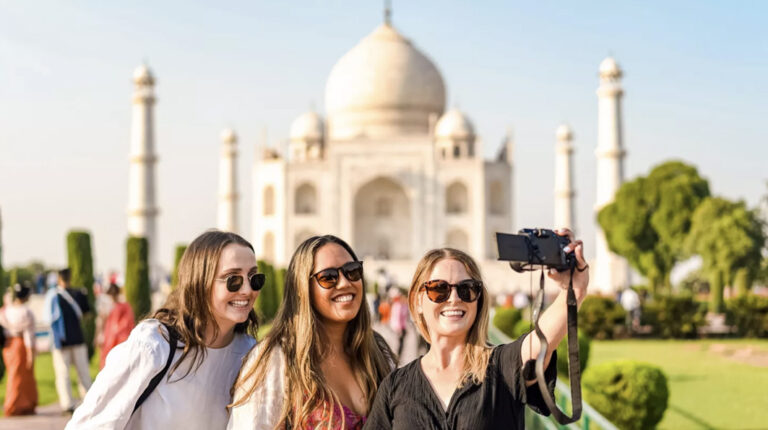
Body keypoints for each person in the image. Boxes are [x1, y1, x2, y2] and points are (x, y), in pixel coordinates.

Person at [364, 229, 590, 429]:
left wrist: (575, 289)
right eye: (439, 289)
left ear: (478, 300)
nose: (454, 299)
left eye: (467, 289)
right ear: (417, 301)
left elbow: (544, 339)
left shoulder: (501, 367)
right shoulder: (396, 386)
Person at [67, 230, 261, 429]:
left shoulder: (252, 355)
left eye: (254, 278)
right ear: (200, 282)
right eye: (233, 279)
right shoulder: (155, 345)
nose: (247, 290)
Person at [229, 235, 396, 430]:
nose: (344, 283)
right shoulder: (277, 359)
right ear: (302, 289)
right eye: (328, 277)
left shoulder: (375, 352)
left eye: (352, 271)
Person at [44, 267, 92, 414]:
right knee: (73, 372)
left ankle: (75, 403)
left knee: (71, 373)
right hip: (70, 339)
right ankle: (81, 402)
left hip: (66, 340)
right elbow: (87, 314)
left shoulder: (58, 295)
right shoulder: (75, 294)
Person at [0, 283, 39, 415]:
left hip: (8, 346)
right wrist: (30, 354)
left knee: (14, 374)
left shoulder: (5, 310)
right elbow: (29, 335)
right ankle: (14, 405)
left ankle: (20, 404)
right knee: (20, 376)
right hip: (20, 345)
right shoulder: (25, 312)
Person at [99, 283, 135, 369]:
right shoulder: (112, 307)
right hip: (110, 338)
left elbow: (127, 323)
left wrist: (115, 330)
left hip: (119, 339)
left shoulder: (124, 306)